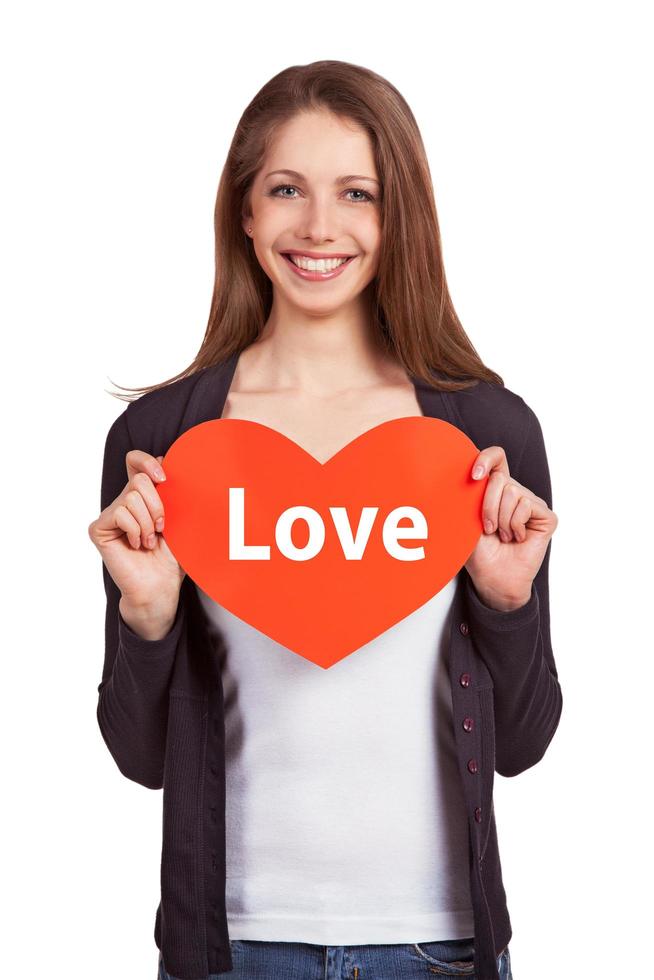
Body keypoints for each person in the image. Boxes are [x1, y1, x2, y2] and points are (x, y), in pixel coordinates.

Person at [88, 60, 562, 980]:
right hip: (230, 949)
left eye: (357, 192)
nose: (319, 227)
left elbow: (527, 740)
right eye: (286, 190)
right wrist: (145, 620)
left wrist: (508, 605)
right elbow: (138, 755)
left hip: (443, 946)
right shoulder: (163, 441)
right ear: (246, 212)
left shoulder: (485, 436)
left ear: (401, 216)